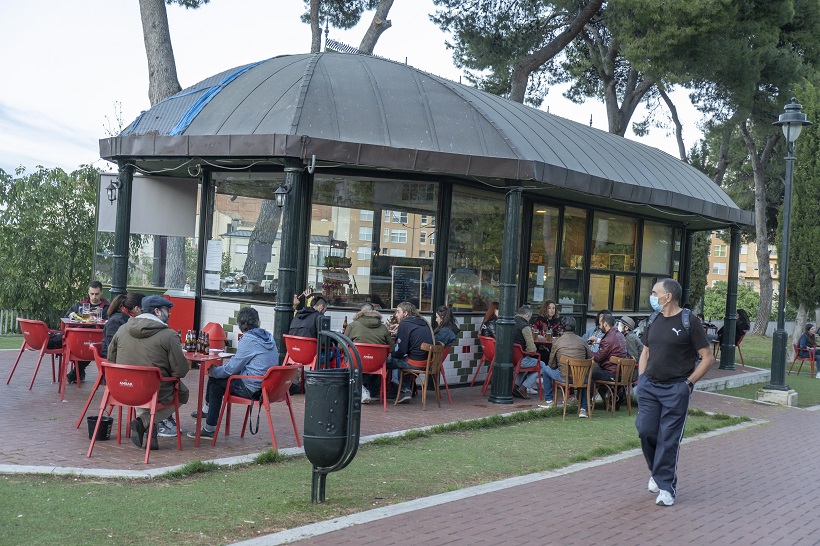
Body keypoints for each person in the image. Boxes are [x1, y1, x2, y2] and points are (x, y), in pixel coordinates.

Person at [636, 278, 713, 507]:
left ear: (667, 296)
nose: (652, 296)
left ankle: (666, 488)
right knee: (645, 431)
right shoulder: (654, 319)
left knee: (668, 440)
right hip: (649, 387)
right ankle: (657, 473)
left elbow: (708, 358)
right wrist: (641, 379)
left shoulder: (690, 321)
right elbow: (646, 351)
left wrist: (687, 384)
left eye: (654, 292)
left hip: (676, 389)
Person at [108, 296, 191, 450]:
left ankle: (151, 438)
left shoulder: (122, 329)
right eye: (168, 311)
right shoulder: (169, 335)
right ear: (157, 311)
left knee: (144, 383)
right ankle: (143, 421)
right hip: (152, 391)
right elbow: (180, 371)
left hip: (121, 389)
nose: (170, 315)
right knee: (181, 392)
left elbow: (110, 358)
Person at [189, 306, 278, 440]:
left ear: (241, 325)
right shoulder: (268, 336)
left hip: (253, 388)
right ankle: (207, 411)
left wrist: (213, 371)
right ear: (257, 322)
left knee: (215, 384)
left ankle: (209, 427)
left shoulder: (248, 339)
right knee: (218, 377)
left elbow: (231, 369)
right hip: (268, 386)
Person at [385, 301, 433, 404]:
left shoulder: (405, 324)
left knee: (384, 361)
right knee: (400, 360)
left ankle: (378, 391)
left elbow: (402, 351)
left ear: (406, 313)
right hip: (427, 363)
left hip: (414, 364)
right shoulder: (422, 322)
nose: (396, 315)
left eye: (398, 312)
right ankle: (404, 390)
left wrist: (391, 354)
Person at [64, 280, 112, 383]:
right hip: (80, 338)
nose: (94, 297)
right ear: (88, 293)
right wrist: (81, 317)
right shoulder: (81, 305)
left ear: (101, 292)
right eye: (92, 294)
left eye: (97, 294)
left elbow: (111, 321)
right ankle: (79, 373)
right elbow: (68, 315)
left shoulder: (107, 307)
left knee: (90, 344)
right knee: (82, 343)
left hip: (97, 338)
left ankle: (76, 373)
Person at [344, 302, 392, 404]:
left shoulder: (353, 325)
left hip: (358, 362)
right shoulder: (383, 327)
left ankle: (360, 388)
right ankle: (373, 392)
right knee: (378, 359)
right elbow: (391, 347)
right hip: (377, 365)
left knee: (352, 358)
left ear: (361, 312)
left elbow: (341, 345)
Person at [546, 316, 592, 410]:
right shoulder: (582, 341)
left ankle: (549, 400)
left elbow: (551, 364)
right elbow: (590, 359)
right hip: (581, 378)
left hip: (564, 377)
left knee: (545, 369)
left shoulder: (557, 342)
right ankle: (583, 409)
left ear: (562, 327)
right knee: (584, 376)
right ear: (575, 327)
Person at [590, 314, 628, 416]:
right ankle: (608, 400)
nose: (599, 326)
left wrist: (587, 352)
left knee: (589, 372)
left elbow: (599, 357)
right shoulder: (619, 335)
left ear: (605, 324)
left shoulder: (608, 339)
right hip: (620, 373)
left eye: (600, 324)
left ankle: (585, 403)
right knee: (595, 371)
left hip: (611, 374)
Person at [512, 305, 551, 399]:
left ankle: (515, 386)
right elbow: (532, 349)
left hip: (512, 357)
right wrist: (534, 350)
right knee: (542, 365)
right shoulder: (525, 327)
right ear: (527, 315)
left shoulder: (511, 320)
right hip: (521, 359)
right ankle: (524, 387)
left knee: (529, 363)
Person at [101, 292, 145, 359]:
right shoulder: (116, 321)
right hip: (112, 361)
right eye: (144, 309)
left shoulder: (128, 318)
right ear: (137, 309)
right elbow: (113, 347)